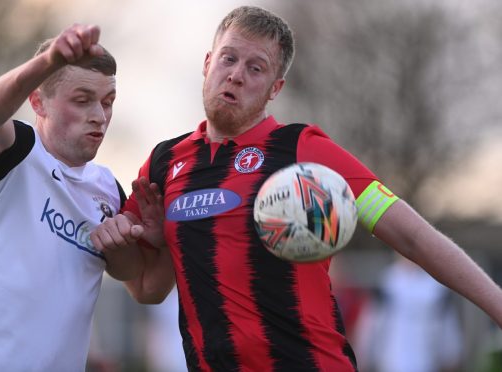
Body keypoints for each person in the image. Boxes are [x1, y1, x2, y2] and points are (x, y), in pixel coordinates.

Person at [90, 6, 502, 371]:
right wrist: (140, 245)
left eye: (256, 68)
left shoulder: (303, 150)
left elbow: (412, 236)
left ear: (275, 89)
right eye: (229, 58)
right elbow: (146, 288)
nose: (236, 74)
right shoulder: (164, 163)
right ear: (207, 63)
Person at [0, 24, 145, 371]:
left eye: (107, 102)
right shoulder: (17, 150)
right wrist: (49, 61)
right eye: (82, 100)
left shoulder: (107, 190)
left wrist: (126, 242)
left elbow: (136, 277)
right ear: (38, 101)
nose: (99, 117)